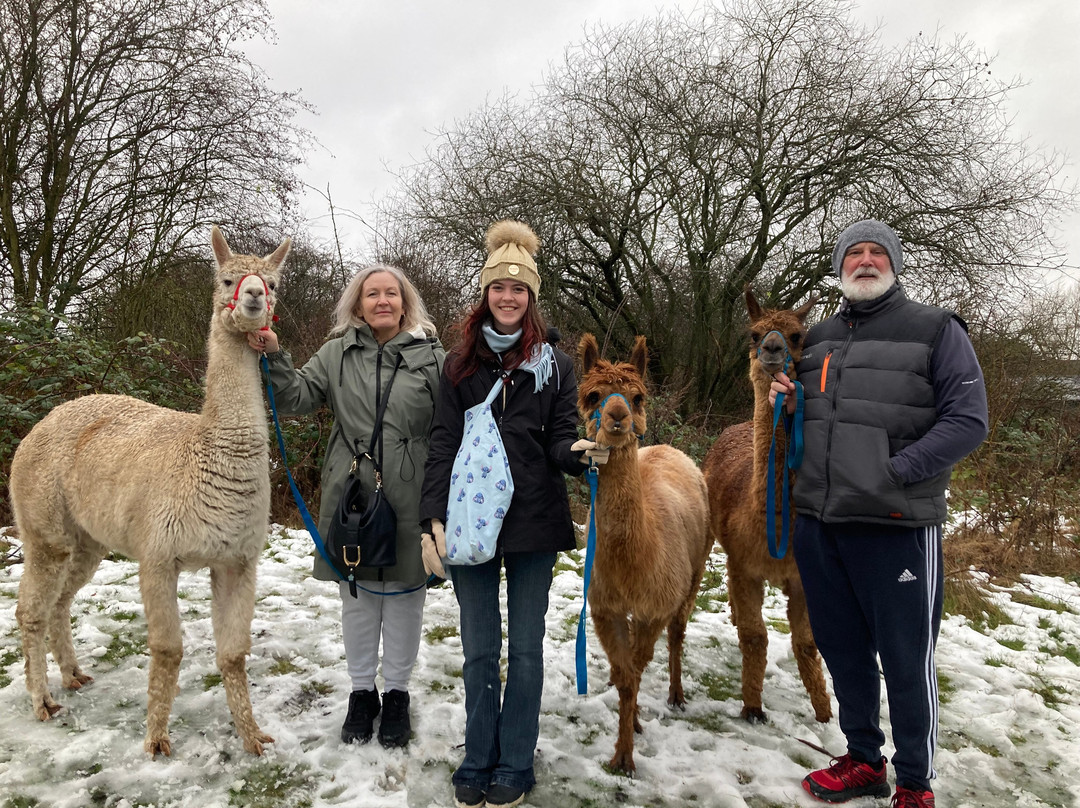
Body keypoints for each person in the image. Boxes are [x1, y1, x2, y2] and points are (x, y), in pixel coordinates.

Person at [770, 220, 988, 808]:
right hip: (821, 522)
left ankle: (915, 781)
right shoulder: (816, 337)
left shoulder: (936, 330)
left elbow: (968, 421)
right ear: (840, 267)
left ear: (892, 262)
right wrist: (789, 406)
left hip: (897, 527)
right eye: (854, 253)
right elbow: (815, 420)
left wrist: (895, 472)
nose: (865, 261)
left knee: (906, 656)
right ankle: (864, 757)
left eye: (876, 252)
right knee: (842, 649)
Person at [418, 220, 605, 808]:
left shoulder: (555, 365)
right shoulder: (457, 368)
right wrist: (432, 519)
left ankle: (515, 761)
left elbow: (559, 438)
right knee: (478, 649)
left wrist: (581, 456)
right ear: (484, 294)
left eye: (519, 289)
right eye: (498, 287)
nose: (508, 297)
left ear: (532, 297)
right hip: (468, 521)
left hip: (532, 521)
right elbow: (443, 442)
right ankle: (478, 756)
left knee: (524, 649)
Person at [249, 264, 445, 749]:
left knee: (404, 594)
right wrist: (275, 356)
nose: (382, 301)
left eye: (391, 294)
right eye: (372, 294)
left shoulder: (433, 358)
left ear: (405, 303)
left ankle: (396, 694)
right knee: (356, 596)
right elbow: (295, 396)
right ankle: (362, 694)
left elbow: (451, 426)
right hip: (351, 487)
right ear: (358, 305)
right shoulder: (337, 353)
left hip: (410, 486)